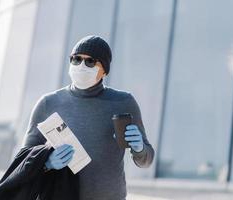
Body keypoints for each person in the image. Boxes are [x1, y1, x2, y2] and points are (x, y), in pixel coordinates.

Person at [22, 35, 155, 200]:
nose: (81, 66)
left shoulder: (123, 101)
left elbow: (146, 161)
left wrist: (140, 148)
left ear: (104, 70)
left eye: (90, 61)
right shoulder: (48, 103)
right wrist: (47, 162)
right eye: (76, 59)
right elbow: (24, 160)